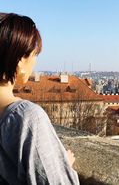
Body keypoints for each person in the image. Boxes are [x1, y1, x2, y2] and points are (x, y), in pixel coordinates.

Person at [0, 13, 79, 184]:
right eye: (35, 54)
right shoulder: (26, 117)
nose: (35, 61)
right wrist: (61, 166)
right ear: (20, 60)